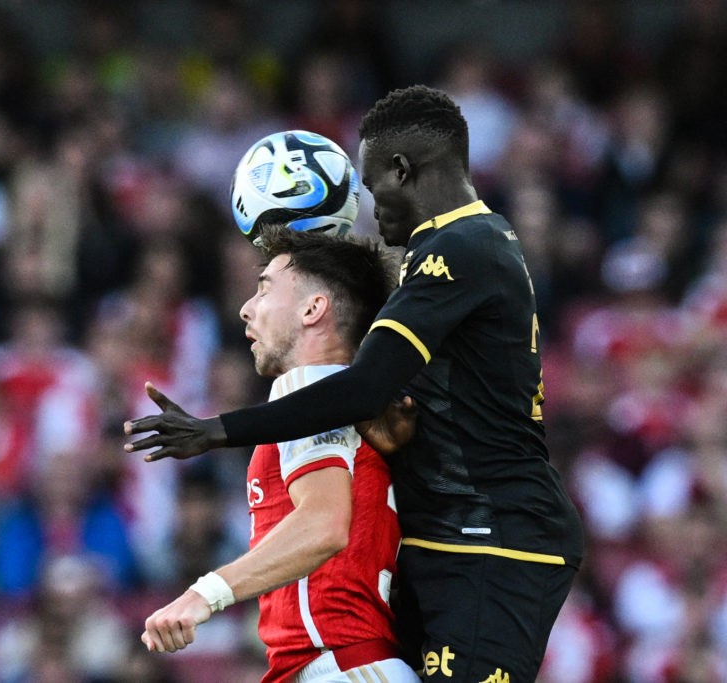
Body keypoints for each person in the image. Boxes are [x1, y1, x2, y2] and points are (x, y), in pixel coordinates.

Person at [126, 85, 585, 682]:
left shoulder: (461, 247)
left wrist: (217, 431)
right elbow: (382, 381)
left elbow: (362, 393)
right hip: (452, 536)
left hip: (493, 531)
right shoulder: (454, 250)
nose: (367, 205)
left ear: (403, 170)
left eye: (372, 186)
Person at [140, 225, 419, 683]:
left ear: (313, 309)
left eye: (265, 290)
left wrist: (202, 595)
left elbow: (323, 526)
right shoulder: (360, 407)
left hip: (340, 663)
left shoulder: (308, 386)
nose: (246, 309)